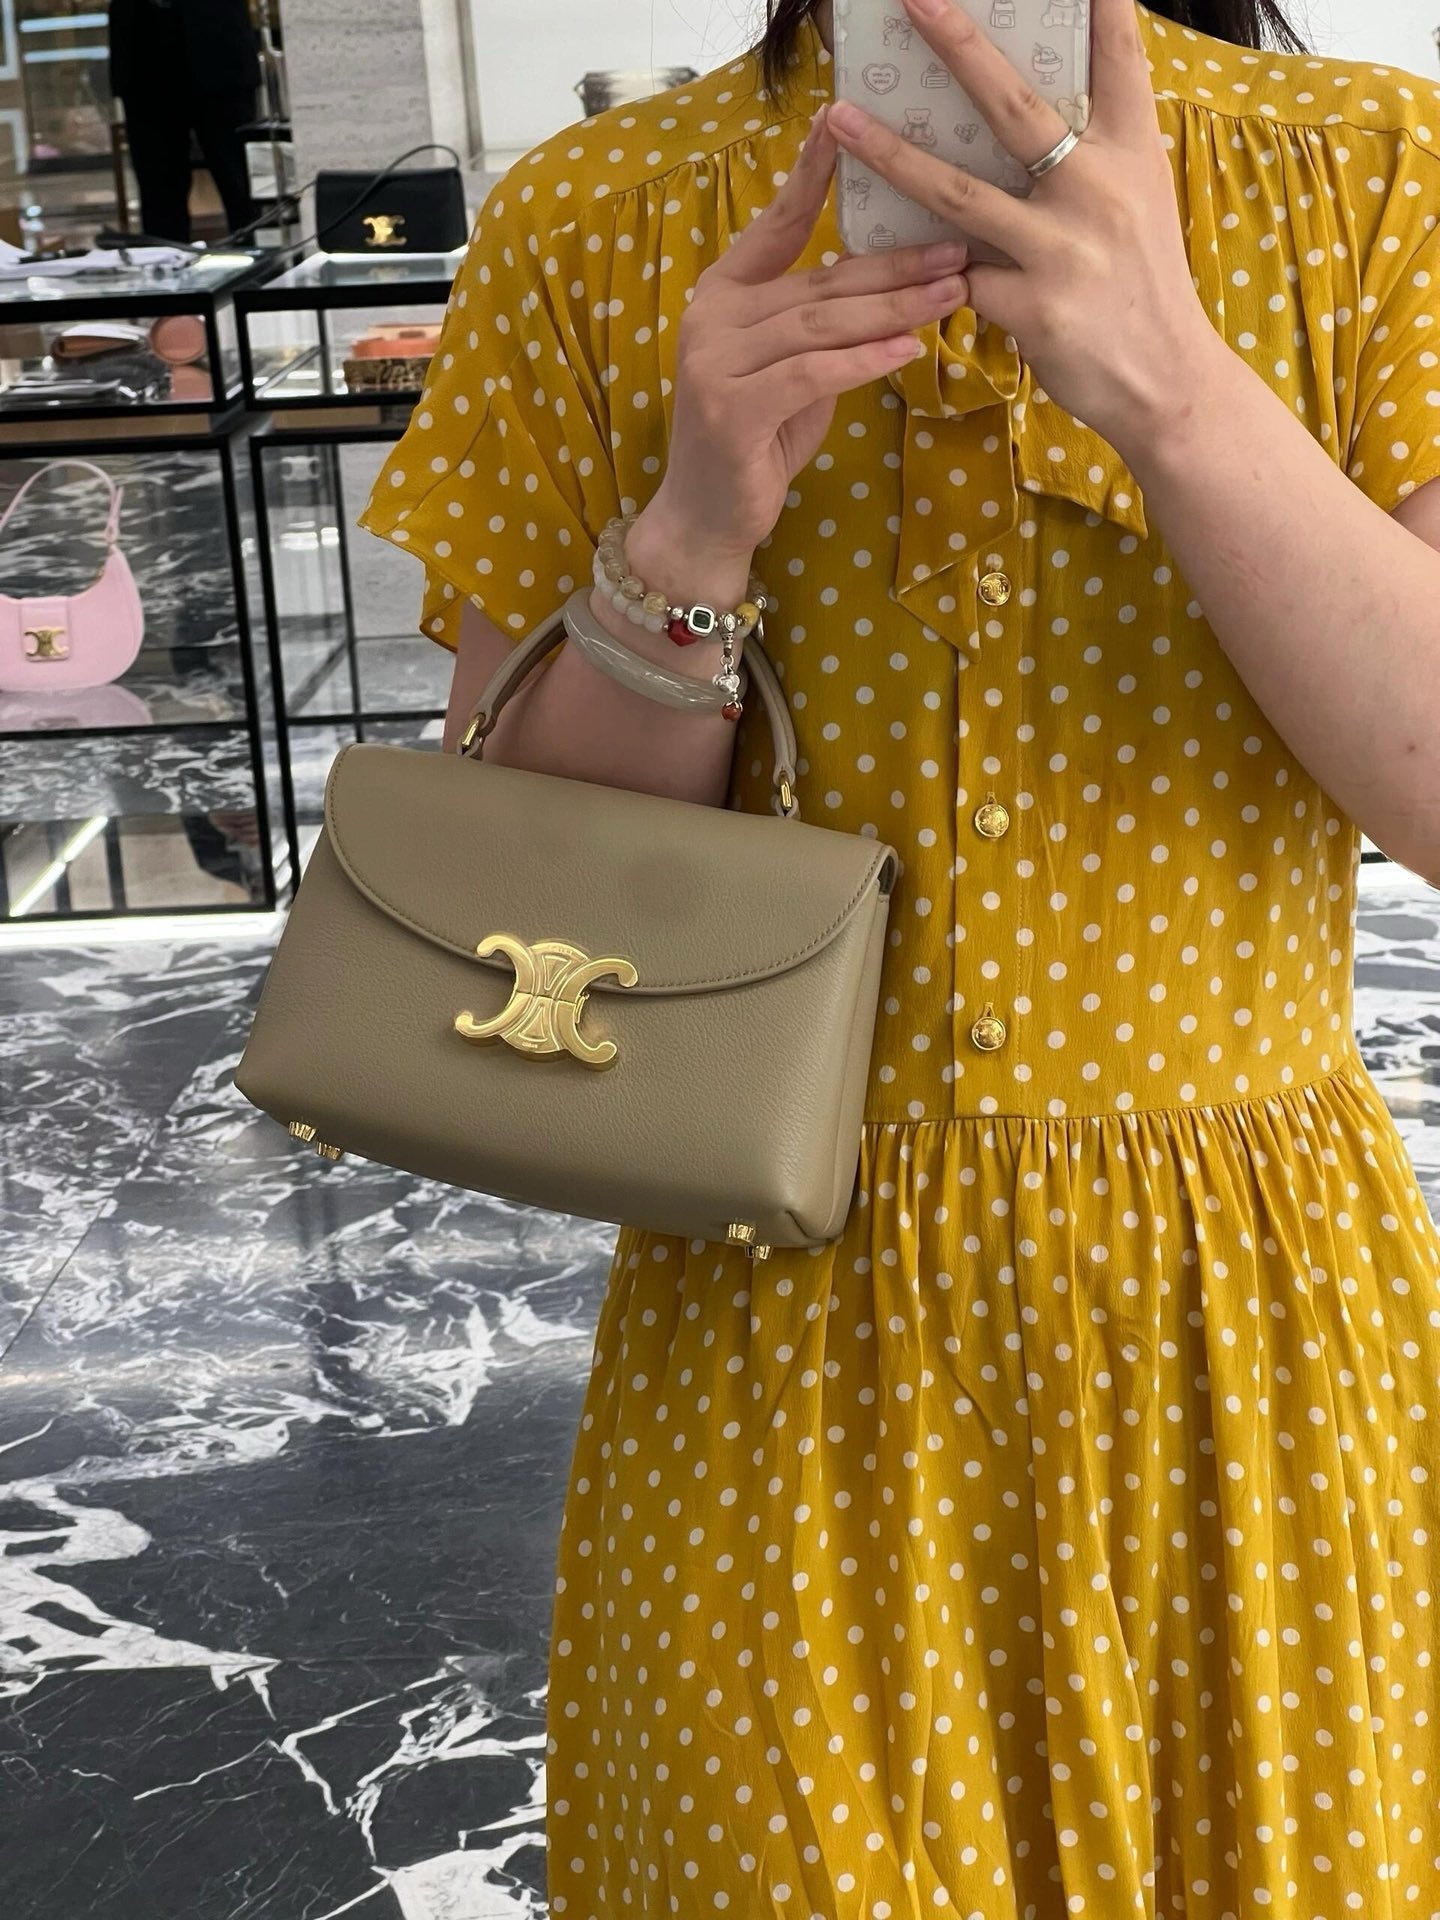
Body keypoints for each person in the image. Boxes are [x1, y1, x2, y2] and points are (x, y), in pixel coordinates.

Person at [360, 0, 1440, 1906]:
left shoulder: (1372, 181)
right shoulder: (601, 219)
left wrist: (1179, 393)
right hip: (768, 1358)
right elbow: (532, 927)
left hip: (1250, 1363)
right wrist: (691, 538)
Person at [109, 0, 260, 241]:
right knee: (159, 195)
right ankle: (163, 262)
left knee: (243, 188)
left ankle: (261, 260)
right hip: (142, 52)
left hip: (221, 47)